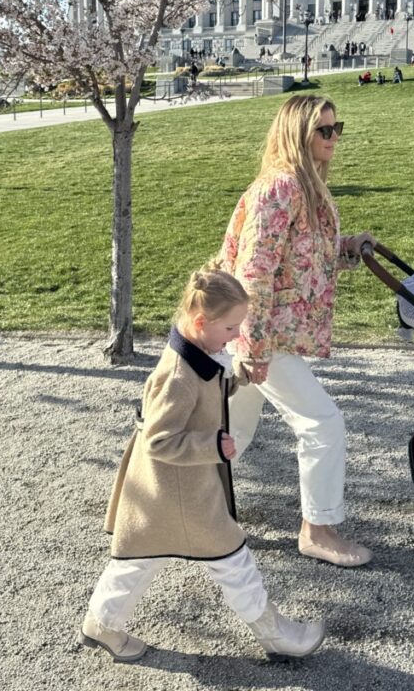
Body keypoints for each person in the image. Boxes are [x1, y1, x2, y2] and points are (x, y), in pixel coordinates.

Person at [80, 266, 326, 663]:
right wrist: (210, 444)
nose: (235, 336)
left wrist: (238, 377)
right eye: (231, 329)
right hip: (178, 492)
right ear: (200, 321)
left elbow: (207, 392)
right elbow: (160, 438)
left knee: (140, 558)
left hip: (169, 492)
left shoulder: (196, 354)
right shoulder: (178, 375)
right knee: (231, 556)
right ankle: (274, 634)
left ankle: (102, 623)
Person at [218, 95, 374, 568]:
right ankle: (318, 530)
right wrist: (250, 345)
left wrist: (350, 248)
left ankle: (186, 509)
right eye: (323, 130)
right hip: (260, 334)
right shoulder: (281, 188)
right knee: (322, 424)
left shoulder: (305, 188)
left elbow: (304, 259)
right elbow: (255, 273)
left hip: (261, 333)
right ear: (296, 136)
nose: (334, 138)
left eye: (336, 127)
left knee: (231, 431)